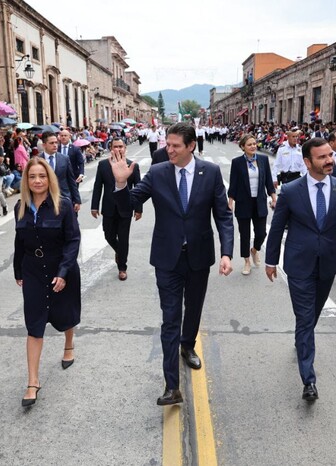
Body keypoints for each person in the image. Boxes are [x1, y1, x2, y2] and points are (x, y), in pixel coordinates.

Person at [109, 122, 234, 406]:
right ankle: (171, 386)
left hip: (199, 255)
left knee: (193, 309)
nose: (169, 149)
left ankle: (187, 345)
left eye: (176, 145)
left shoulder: (211, 172)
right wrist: (120, 184)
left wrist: (227, 252)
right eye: (168, 144)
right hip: (167, 258)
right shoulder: (158, 172)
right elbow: (129, 205)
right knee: (170, 318)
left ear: (191, 146)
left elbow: (223, 216)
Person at [265, 137, 336, 402]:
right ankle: (308, 380)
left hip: (327, 265)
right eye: (322, 157)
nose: (329, 161)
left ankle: (301, 341)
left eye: (330, 156)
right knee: (304, 319)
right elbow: (277, 228)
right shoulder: (291, 191)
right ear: (307, 162)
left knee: (310, 316)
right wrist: (270, 260)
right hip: (298, 265)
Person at [13, 157, 81, 407]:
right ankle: (32, 381)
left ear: (49, 178)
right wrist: (18, 270)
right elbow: (19, 240)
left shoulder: (62, 206)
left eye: (42, 176)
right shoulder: (20, 206)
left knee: (64, 314)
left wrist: (63, 272)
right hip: (32, 270)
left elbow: (73, 240)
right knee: (34, 324)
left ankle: (69, 344)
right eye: (32, 177)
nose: (37, 181)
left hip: (60, 267)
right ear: (26, 180)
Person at [91, 138, 142, 280]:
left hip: (126, 208)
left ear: (125, 148)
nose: (118, 149)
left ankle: (122, 267)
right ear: (110, 148)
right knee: (108, 235)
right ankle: (119, 252)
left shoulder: (132, 166)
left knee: (124, 238)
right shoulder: (102, 165)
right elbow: (97, 186)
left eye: (121, 146)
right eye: (115, 146)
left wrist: (139, 209)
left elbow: (138, 189)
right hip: (108, 207)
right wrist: (94, 206)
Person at [228, 133, 276, 276]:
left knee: (261, 233)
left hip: (260, 202)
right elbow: (233, 183)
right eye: (249, 144)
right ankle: (247, 261)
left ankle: (254, 250)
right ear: (243, 147)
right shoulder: (237, 162)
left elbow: (268, 180)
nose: (253, 146)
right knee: (245, 234)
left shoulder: (263, 159)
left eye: (254, 143)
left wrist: (274, 197)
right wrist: (230, 202)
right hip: (243, 203)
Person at [38, 131, 81, 212]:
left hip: (63, 198)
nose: (55, 145)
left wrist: (77, 200)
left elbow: (71, 180)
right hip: (44, 201)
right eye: (51, 143)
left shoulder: (64, 159)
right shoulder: (37, 160)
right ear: (44, 145)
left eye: (56, 142)